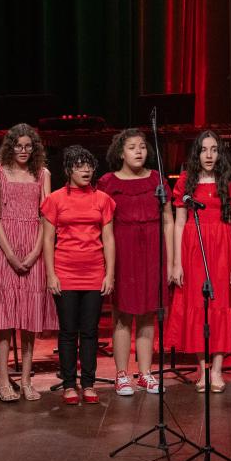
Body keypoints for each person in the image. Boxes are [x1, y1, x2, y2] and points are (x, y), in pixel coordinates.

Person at [0, 124, 56, 402]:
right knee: (4, 317)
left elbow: (46, 216)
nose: (23, 151)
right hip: (6, 246)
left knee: (29, 317)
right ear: (10, 146)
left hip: (34, 244)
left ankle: (25, 380)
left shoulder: (42, 174)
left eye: (28, 146)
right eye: (18, 146)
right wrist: (11, 255)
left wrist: (36, 252)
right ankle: (3, 380)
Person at [98, 128, 173, 395]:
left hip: (152, 250)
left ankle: (145, 373)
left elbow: (168, 220)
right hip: (123, 250)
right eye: (132, 147)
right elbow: (103, 225)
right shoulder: (108, 182)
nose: (139, 151)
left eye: (142, 146)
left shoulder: (156, 179)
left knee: (148, 313)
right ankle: (121, 374)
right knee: (122, 314)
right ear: (121, 152)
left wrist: (171, 261)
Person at [168, 130, 231, 393]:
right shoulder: (186, 181)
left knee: (220, 304)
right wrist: (176, 262)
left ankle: (217, 370)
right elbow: (179, 223)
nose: (209, 155)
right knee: (197, 305)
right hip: (193, 248)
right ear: (197, 153)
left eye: (214, 149)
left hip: (222, 249)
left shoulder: (227, 180)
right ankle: (202, 369)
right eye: (203, 150)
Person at [42, 145, 116, 406]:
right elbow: (48, 239)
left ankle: (88, 383)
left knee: (90, 332)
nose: (86, 170)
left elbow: (108, 239)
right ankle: (69, 384)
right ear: (68, 170)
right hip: (65, 272)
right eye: (79, 166)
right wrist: (51, 275)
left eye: (89, 165)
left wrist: (110, 273)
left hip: (94, 273)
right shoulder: (55, 199)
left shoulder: (103, 199)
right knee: (68, 332)